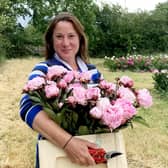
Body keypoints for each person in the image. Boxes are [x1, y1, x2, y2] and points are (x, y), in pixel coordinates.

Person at [19, 12, 102, 168]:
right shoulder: (43, 69)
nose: (66, 43)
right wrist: (68, 143)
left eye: (71, 36)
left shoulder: (93, 72)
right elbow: (27, 108)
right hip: (55, 151)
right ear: (51, 40)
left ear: (80, 39)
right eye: (59, 36)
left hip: (91, 151)